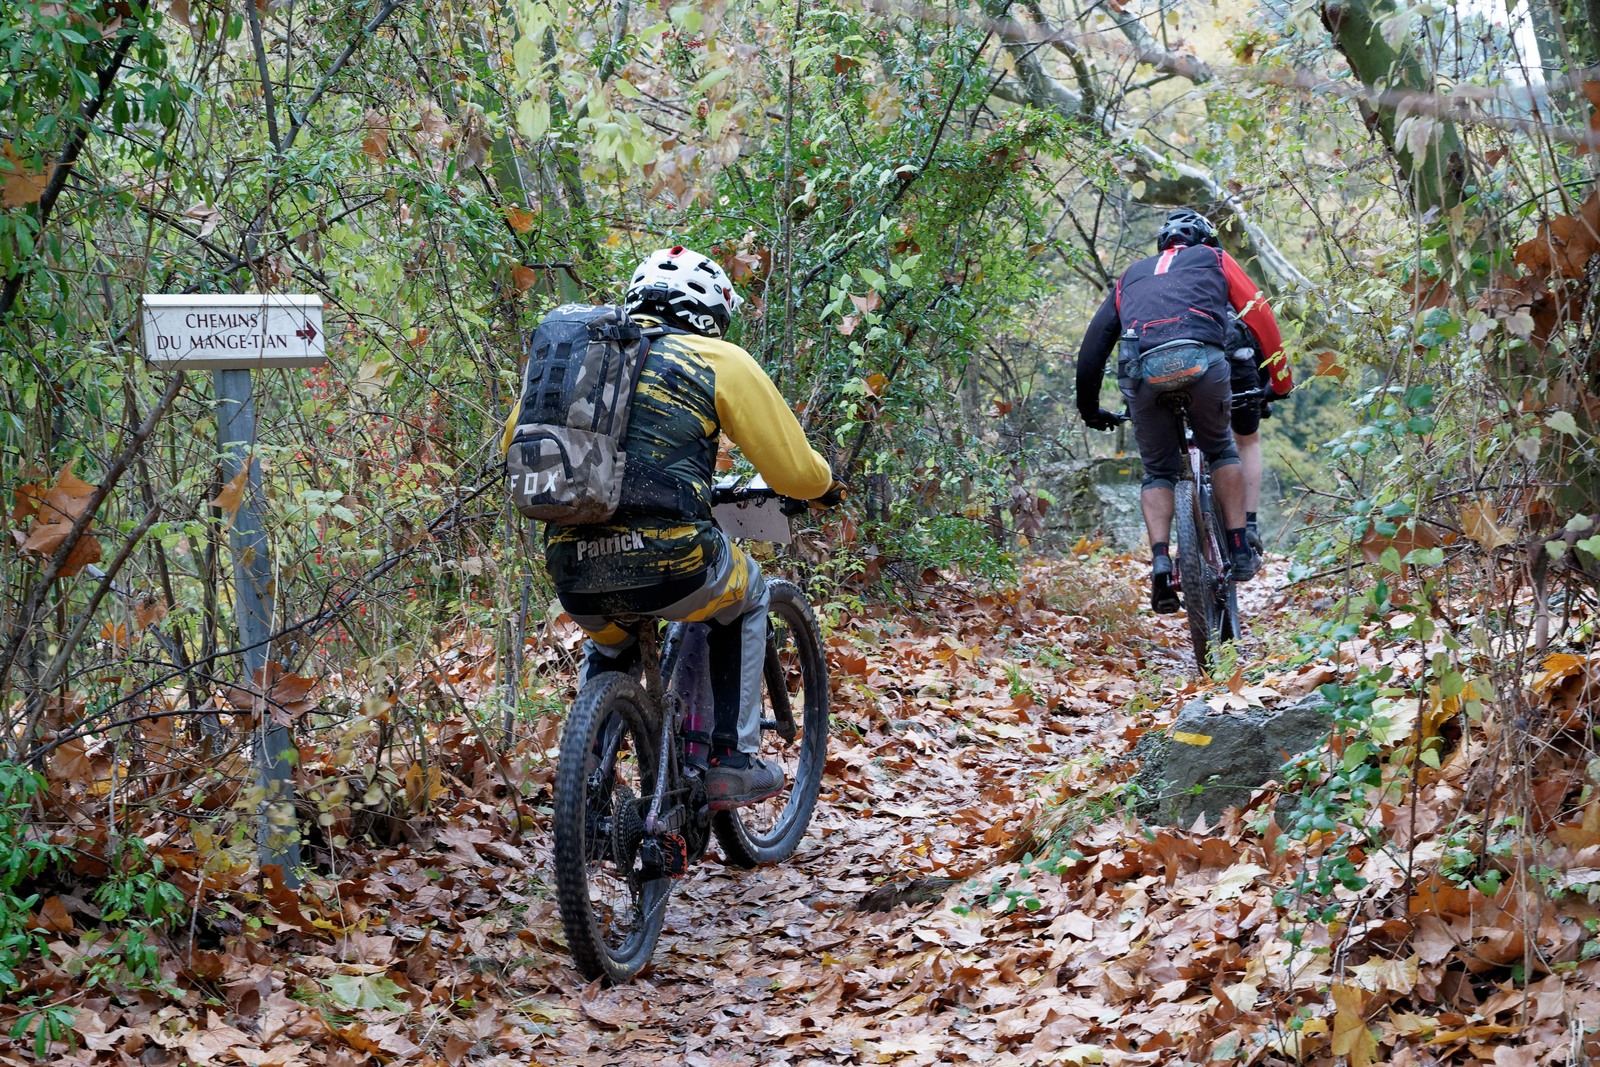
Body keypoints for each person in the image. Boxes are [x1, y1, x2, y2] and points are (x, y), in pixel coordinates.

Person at [542, 246, 841, 807]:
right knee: (747, 592)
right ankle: (731, 757)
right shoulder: (716, 357)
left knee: (612, 644)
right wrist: (824, 487)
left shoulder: (582, 360)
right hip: (674, 564)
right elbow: (795, 472)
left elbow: (520, 448)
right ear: (710, 311)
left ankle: (586, 793)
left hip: (573, 572)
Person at [1075, 209, 1289, 614]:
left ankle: (1159, 560)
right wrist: (1280, 379)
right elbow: (1260, 314)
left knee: (1158, 471)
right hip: (1203, 367)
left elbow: (1093, 348)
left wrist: (1090, 410)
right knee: (1223, 451)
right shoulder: (1216, 259)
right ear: (1207, 241)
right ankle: (1240, 547)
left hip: (1143, 375)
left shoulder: (1130, 276)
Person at [1223, 312, 1293, 554]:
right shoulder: (1225, 276)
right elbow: (1261, 331)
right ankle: (1248, 524)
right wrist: (1267, 393)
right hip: (1236, 355)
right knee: (1247, 441)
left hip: (1170, 360)